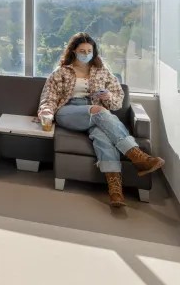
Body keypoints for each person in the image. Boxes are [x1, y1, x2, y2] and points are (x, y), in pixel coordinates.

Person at [38, 32, 164, 208]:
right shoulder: (61, 73)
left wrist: (108, 95)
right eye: (82, 50)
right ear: (74, 51)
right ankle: (138, 157)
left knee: (102, 136)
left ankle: (115, 190)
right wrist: (46, 112)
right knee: (100, 111)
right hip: (68, 112)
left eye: (89, 50)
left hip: (96, 114)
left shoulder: (102, 72)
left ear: (94, 51)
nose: (86, 53)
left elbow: (118, 99)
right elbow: (49, 97)